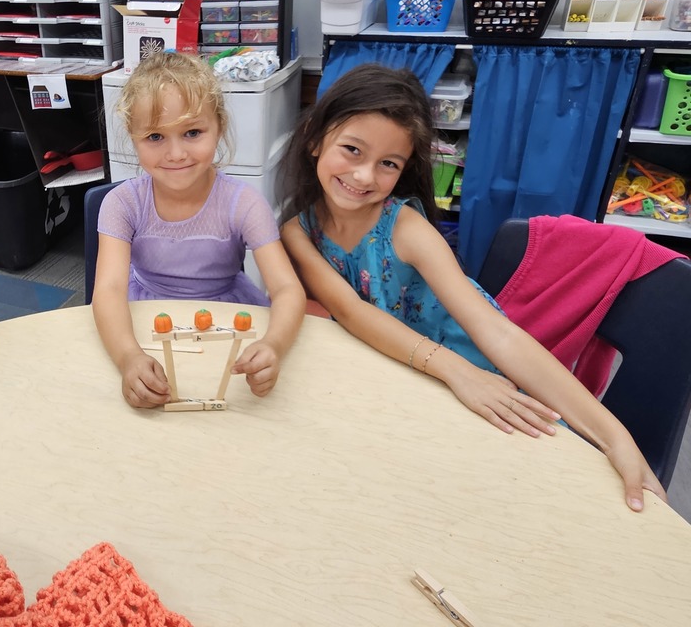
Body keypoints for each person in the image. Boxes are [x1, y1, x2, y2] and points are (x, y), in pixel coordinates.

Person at [279, 63, 665, 512]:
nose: (364, 176)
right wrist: (451, 373)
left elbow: (497, 333)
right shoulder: (298, 230)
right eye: (351, 150)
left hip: (472, 375)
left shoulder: (405, 228)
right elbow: (349, 310)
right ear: (314, 139)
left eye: (387, 164)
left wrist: (614, 436)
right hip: (414, 377)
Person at [92, 52, 305, 408]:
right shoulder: (122, 204)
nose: (176, 153)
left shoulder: (244, 203)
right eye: (155, 136)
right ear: (133, 137)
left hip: (225, 321)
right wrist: (128, 356)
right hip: (144, 318)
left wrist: (274, 345)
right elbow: (109, 290)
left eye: (192, 132)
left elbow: (287, 289)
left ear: (218, 127)